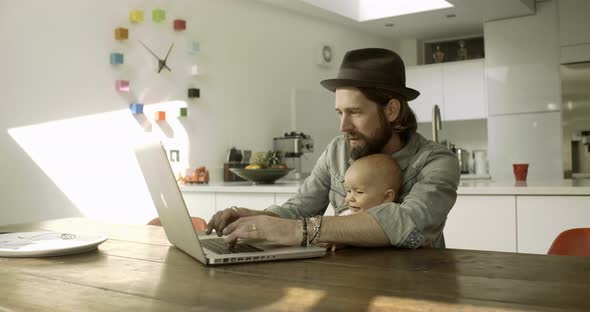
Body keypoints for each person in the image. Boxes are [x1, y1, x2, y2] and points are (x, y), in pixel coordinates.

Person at [206, 48, 460, 249]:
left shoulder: (435, 161)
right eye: (340, 113)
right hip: (350, 283)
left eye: (355, 112)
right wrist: (254, 217)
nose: (343, 126)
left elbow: (409, 223)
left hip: (418, 287)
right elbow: (298, 210)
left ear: (391, 110)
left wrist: (298, 231)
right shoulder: (337, 151)